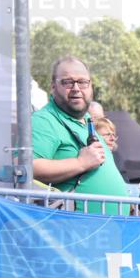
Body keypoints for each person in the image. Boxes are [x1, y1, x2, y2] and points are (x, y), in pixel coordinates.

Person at [31, 56, 129, 214]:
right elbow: (27, 167)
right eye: (67, 82)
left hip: (108, 230)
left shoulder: (87, 120)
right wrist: (80, 162)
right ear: (53, 87)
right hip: (75, 231)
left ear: (91, 86)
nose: (76, 88)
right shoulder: (44, 120)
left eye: (82, 82)